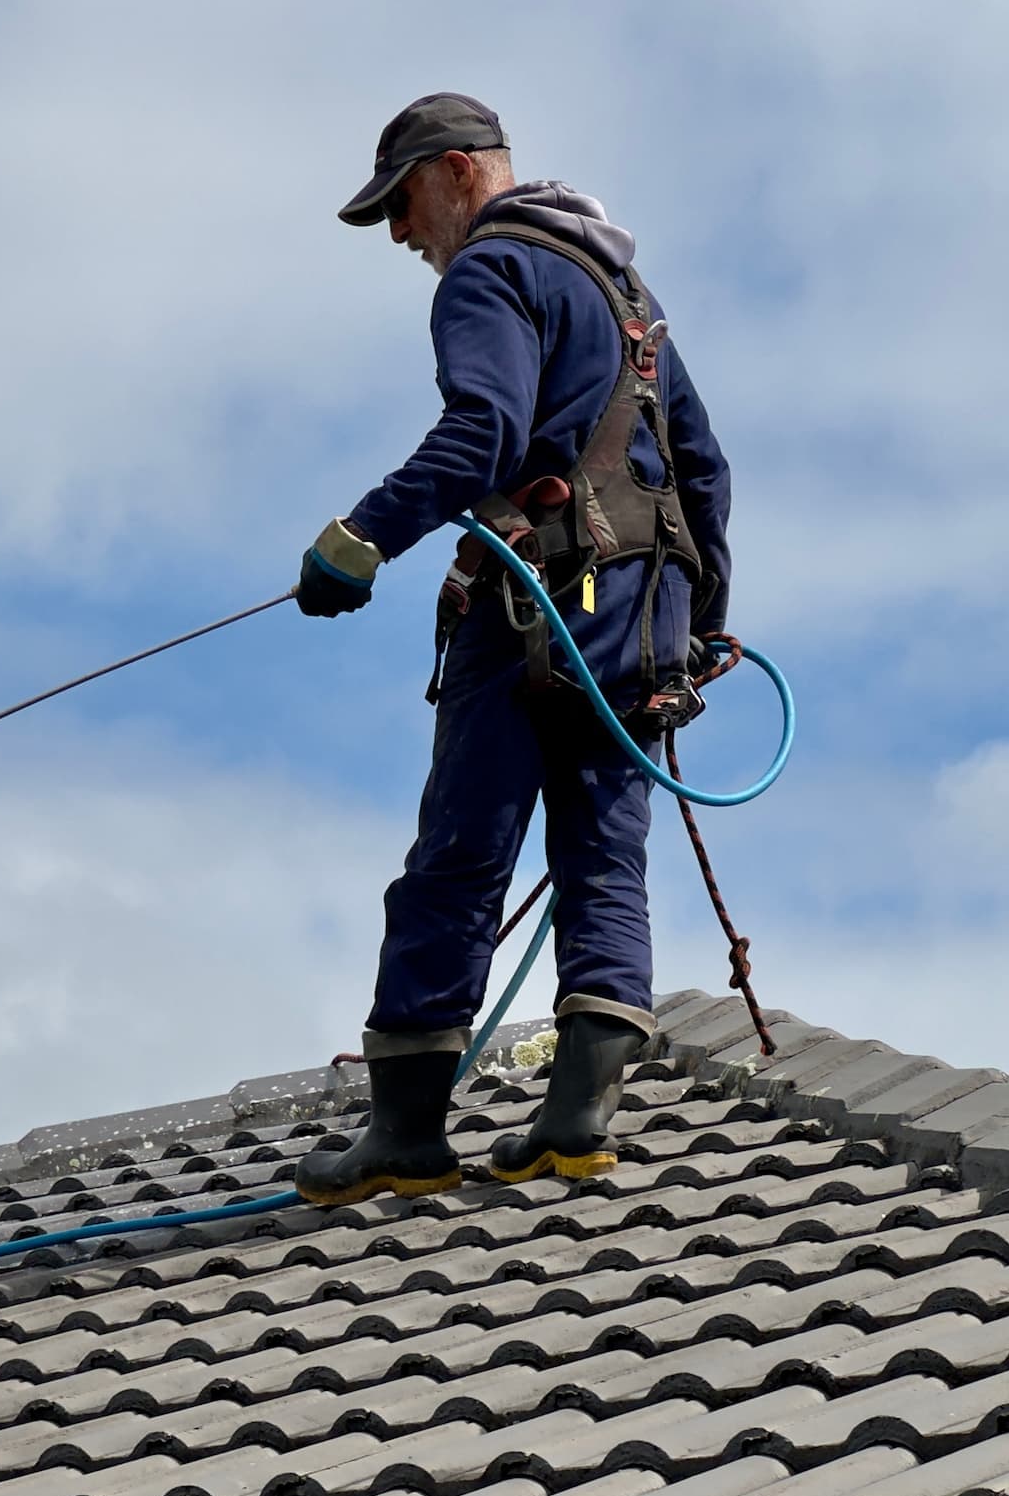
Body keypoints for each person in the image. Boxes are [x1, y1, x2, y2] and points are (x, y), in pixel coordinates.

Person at [291, 92, 733, 1205]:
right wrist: (699, 628)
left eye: (399, 204)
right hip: (644, 617)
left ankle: (403, 1131)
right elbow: (704, 467)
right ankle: (574, 1120)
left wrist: (359, 539)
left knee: (461, 848)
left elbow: (480, 427)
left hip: (539, 598)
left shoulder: (489, 272)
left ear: (453, 174)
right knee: (602, 845)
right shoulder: (628, 296)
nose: (400, 235)